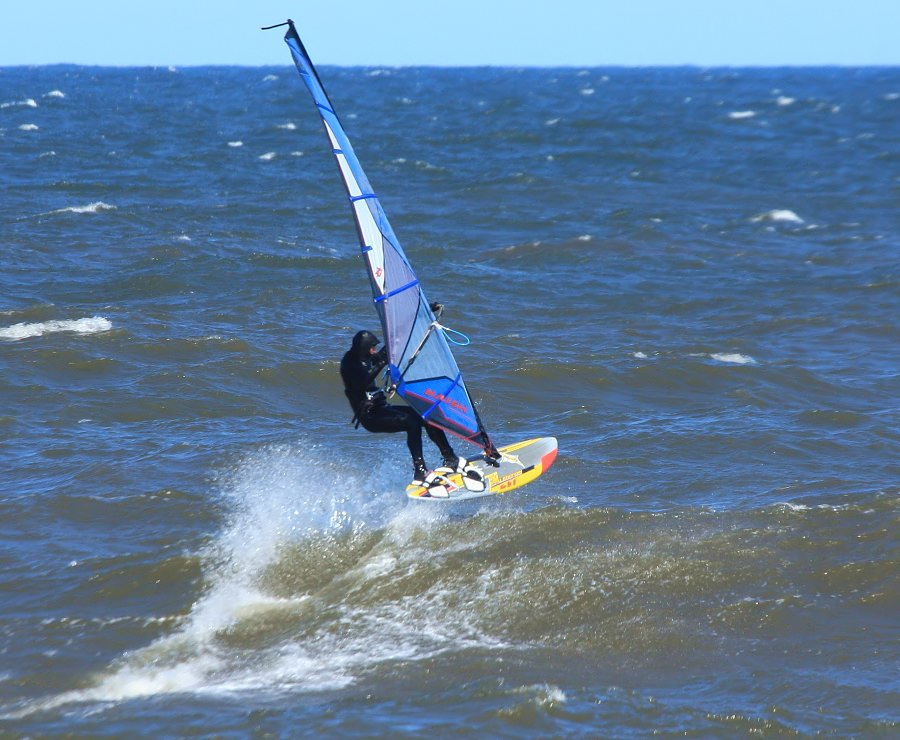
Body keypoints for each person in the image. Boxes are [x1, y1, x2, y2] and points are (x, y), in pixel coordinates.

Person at [340, 329, 462, 483]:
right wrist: (383, 362)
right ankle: (420, 471)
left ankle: (450, 457)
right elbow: (362, 381)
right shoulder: (349, 363)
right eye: (372, 348)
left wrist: (423, 317)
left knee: (426, 415)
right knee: (411, 423)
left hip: (382, 408)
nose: (375, 351)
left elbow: (393, 343)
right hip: (370, 416)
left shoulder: (366, 356)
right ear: (364, 348)